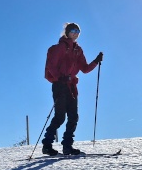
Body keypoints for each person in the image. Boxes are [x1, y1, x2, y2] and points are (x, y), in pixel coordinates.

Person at [42, 22, 103, 156]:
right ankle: (46, 145)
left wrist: (96, 61)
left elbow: (85, 69)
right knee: (60, 117)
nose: (75, 33)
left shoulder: (78, 50)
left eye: (78, 31)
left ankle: (67, 146)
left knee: (73, 116)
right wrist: (59, 78)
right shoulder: (60, 47)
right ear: (67, 32)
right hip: (59, 84)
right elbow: (51, 66)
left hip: (71, 86)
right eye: (73, 30)